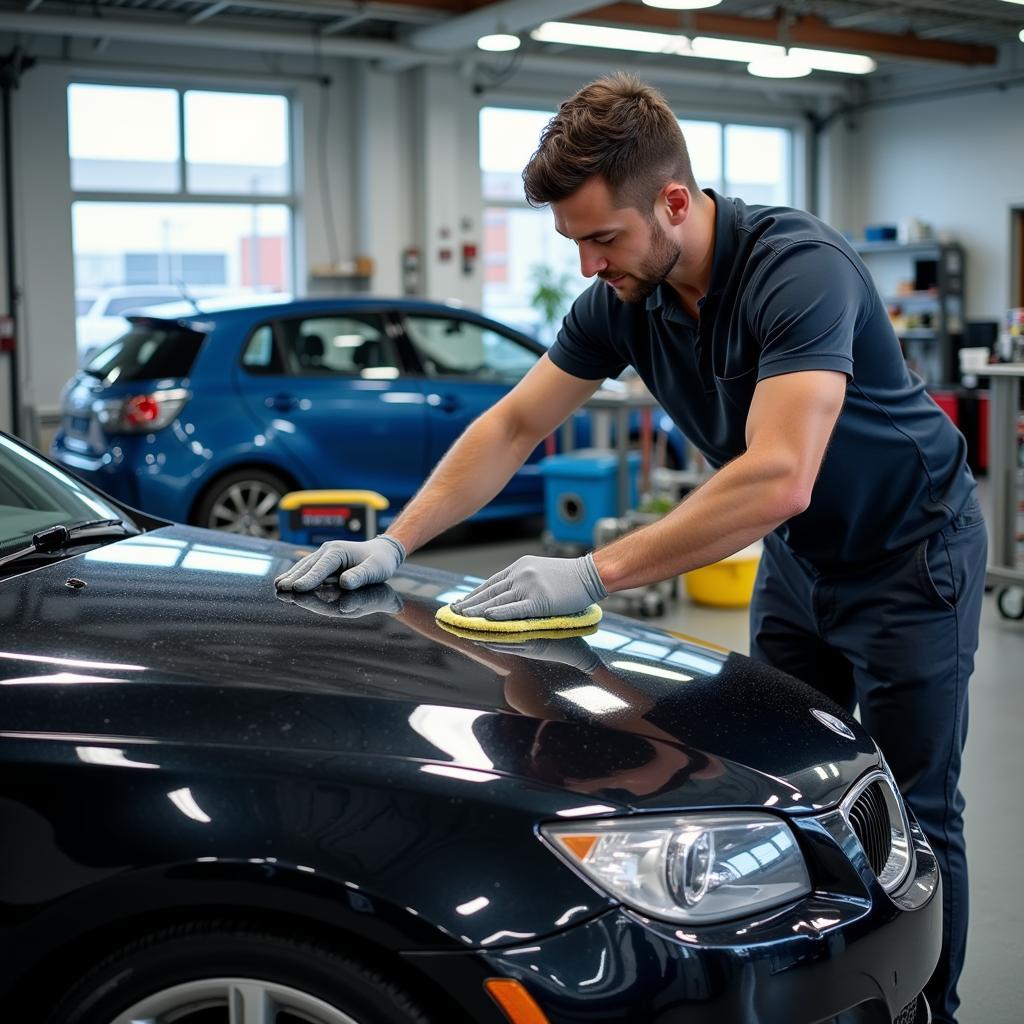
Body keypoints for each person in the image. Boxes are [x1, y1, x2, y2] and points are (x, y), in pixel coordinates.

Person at [275, 73, 986, 1022]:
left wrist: (592, 572)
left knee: (915, 809)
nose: (585, 265)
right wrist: (394, 543)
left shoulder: (798, 269)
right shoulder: (624, 295)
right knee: (776, 785)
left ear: (676, 203)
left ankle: (931, 1007)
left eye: (602, 238)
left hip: (911, 553)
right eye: (573, 242)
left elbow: (780, 474)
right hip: (798, 560)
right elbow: (515, 423)